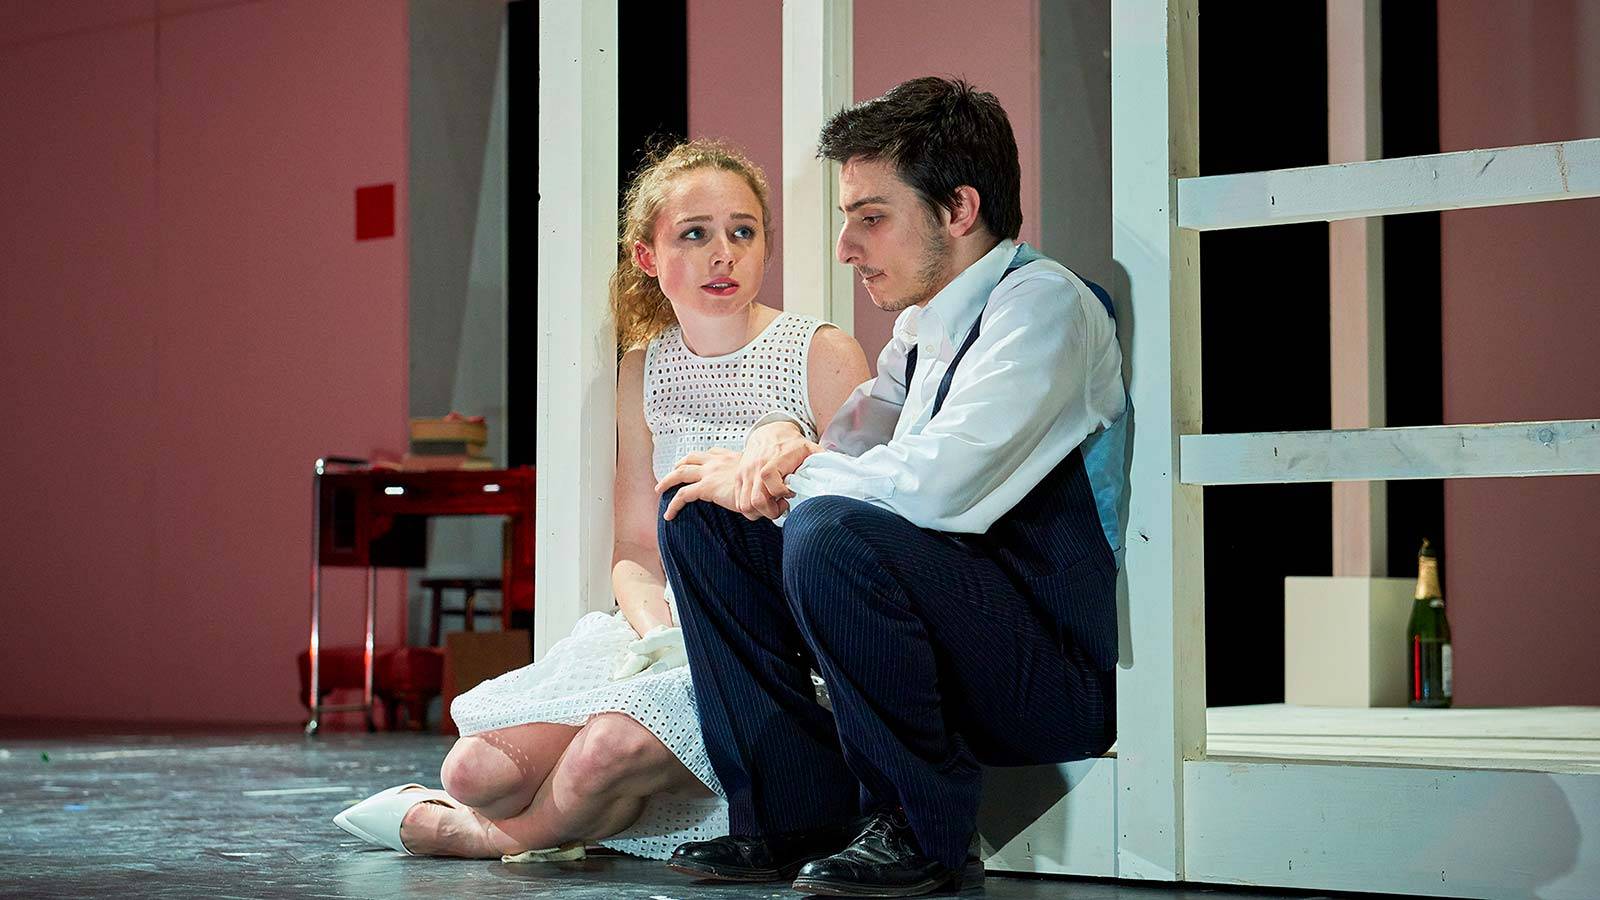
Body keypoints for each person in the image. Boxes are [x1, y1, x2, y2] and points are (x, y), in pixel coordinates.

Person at [332, 140, 870, 861]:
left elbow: (858, 532)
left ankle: (484, 839)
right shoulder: (641, 368)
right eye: (695, 233)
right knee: (475, 768)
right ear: (648, 256)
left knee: (598, 757)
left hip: (771, 642)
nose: (725, 254)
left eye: (743, 231)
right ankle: (573, 815)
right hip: (660, 633)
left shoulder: (820, 350)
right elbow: (636, 550)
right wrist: (660, 637)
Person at [655, 76, 1125, 897]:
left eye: (870, 217)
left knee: (829, 529)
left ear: (958, 210)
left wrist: (792, 471)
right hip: (959, 642)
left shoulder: (1043, 309)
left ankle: (923, 829)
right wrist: (775, 446)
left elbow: (937, 492)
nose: (845, 246)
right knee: (703, 517)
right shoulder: (921, 329)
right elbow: (850, 447)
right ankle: (791, 812)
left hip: (1054, 676)